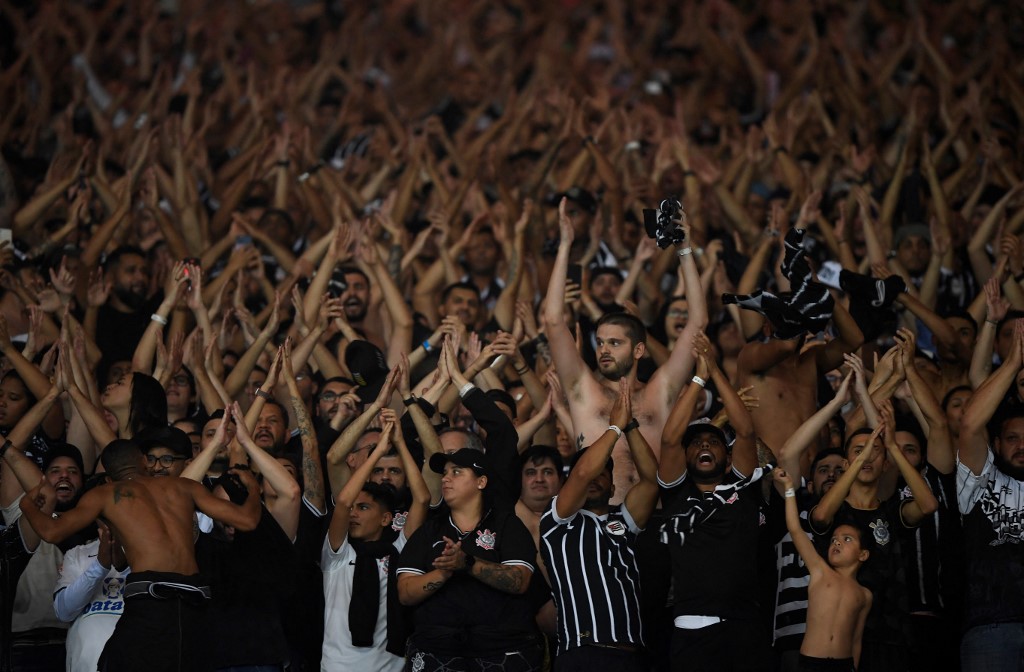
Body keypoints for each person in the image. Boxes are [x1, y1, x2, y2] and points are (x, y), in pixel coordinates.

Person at [17, 439, 262, 672]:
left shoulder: (106, 494)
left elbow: (51, 531)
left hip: (151, 602)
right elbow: (248, 521)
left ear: (109, 477)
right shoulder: (185, 486)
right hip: (195, 603)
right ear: (145, 462)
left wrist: (27, 505)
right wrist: (252, 488)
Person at [544, 198, 707, 502]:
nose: (603, 350)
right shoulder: (583, 389)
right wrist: (565, 246)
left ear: (639, 350)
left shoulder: (660, 389)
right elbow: (553, 320)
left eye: (615, 343)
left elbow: (697, 321)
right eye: (601, 342)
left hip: (654, 518)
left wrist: (684, 250)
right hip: (598, 518)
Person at [540, 380, 659, 671]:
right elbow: (582, 473)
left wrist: (629, 426)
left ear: (612, 484)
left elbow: (651, 481)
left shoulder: (624, 520)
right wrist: (613, 428)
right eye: (589, 472)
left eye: (603, 473)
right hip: (582, 653)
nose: (593, 478)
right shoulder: (558, 522)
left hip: (632, 654)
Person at [397, 448, 541, 672]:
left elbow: (519, 581)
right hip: (436, 650)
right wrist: (443, 573)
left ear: (481, 481)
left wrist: (468, 563)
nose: (445, 478)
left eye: (456, 472)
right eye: (445, 473)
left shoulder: (507, 525)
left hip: (502, 650)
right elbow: (405, 594)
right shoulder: (429, 530)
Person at [322, 411, 429, 671]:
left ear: (385, 519)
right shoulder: (338, 554)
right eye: (353, 508)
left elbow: (423, 499)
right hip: (337, 667)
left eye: (364, 508)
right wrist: (378, 450)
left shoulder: (399, 549)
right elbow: (343, 502)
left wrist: (400, 444)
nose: (353, 514)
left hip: (389, 667)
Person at [956, 318, 1024, 671]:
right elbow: (969, 424)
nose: (1022, 446)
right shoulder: (981, 482)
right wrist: (1012, 364)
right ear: (996, 444)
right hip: (991, 628)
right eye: (1012, 438)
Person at [773, 467, 872, 672]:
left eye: (847, 539)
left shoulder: (864, 595)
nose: (837, 543)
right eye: (834, 540)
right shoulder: (819, 571)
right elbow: (794, 528)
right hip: (810, 663)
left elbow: (856, 639)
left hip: (843, 665)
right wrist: (789, 488)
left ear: (863, 554)